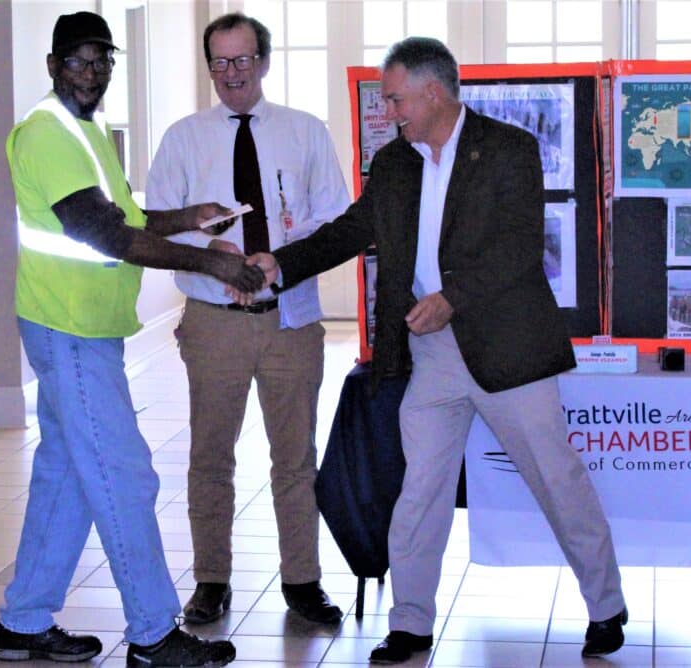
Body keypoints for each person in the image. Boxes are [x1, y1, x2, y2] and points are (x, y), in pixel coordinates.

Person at [248, 37, 627, 664]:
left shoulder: (508, 148)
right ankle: (411, 623)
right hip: (431, 355)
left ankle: (606, 606)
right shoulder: (394, 164)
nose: (388, 111)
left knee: (557, 481)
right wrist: (280, 266)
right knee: (419, 491)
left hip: (508, 351)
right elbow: (350, 230)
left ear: (432, 92)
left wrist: (452, 297)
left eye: (396, 99)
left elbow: (520, 245)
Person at [0, 11, 264, 667]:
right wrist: (212, 263)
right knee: (124, 476)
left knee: (65, 476)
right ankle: (151, 635)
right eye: (78, 61)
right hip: (69, 328)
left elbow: (131, 217)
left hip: (82, 326)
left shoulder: (84, 131)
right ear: (54, 66)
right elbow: (107, 235)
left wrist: (192, 218)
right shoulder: (48, 133)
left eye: (102, 62)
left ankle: (23, 622)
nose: (92, 73)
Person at [145, 12, 350, 626]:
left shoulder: (305, 131)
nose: (232, 73)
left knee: (295, 458)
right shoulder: (183, 138)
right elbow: (154, 224)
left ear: (263, 61)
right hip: (214, 322)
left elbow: (335, 220)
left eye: (242, 60)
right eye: (220, 62)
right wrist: (211, 251)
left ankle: (303, 581)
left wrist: (278, 261)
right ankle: (211, 580)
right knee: (211, 457)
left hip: (290, 318)